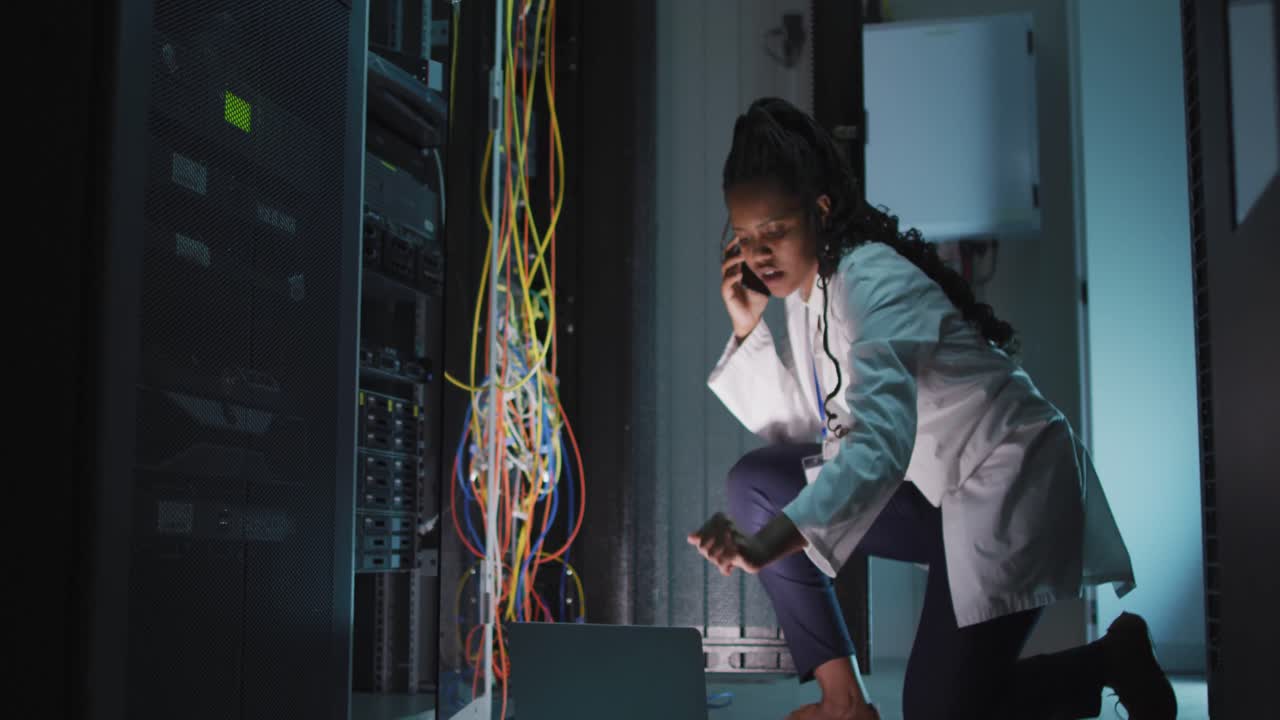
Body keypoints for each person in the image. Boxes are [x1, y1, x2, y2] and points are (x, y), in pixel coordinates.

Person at [686, 97, 1177, 720]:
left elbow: (875, 447)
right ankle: (842, 703)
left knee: (937, 711)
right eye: (744, 236)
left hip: (1011, 486)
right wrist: (746, 326)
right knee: (758, 483)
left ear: (820, 209)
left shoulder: (868, 281)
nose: (757, 254)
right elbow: (818, 435)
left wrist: (763, 549)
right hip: (937, 493)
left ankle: (1111, 659)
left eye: (774, 232)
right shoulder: (809, 294)